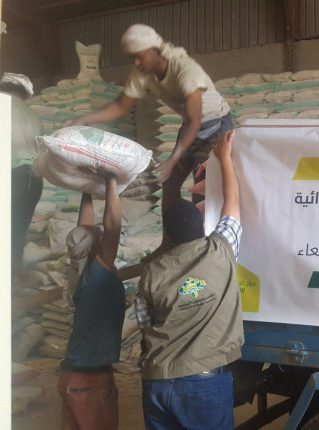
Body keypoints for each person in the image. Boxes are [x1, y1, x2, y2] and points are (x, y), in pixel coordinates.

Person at [66, 23, 234, 252]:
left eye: (139, 56)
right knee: (169, 182)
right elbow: (120, 106)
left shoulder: (185, 69)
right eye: (132, 58)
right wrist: (83, 119)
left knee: (200, 187)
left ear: (155, 50)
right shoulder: (143, 75)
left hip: (215, 125)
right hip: (190, 126)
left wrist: (173, 159)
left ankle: (200, 250)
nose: (136, 63)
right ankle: (168, 244)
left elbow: (195, 120)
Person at [137, 130, 243, 429]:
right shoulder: (220, 250)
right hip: (203, 383)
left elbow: (145, 323)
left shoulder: (151, 271)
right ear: (201, 225)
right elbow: (233, 203)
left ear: (168, 235)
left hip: (157, 382)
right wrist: (224, 157)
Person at [57, 173, 125, 430]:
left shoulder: (80, 268)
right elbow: (113, 226)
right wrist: (111, 181)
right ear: (96, 246)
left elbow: (83, 230)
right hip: (90, 383)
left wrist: (86, 186)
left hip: (73, 378)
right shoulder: (96, 276)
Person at [2, 73, 44, 285]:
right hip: (32, 180)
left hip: (9, 176)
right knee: (16, 234)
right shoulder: (32, 114)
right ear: (25, 94)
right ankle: (10, 284)